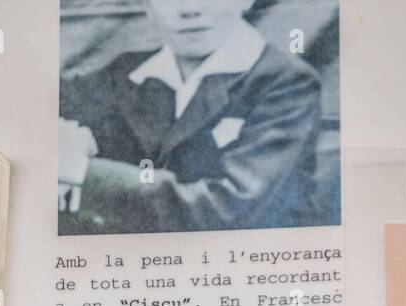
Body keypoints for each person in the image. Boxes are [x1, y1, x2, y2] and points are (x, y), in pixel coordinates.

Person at [58, 0, 323, 234]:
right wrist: (64, 136)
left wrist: (80, 171)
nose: (190, 9)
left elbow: (223, 210)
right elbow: (44, 101)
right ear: (147, 6)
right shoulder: (126, 73)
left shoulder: (289, 84)